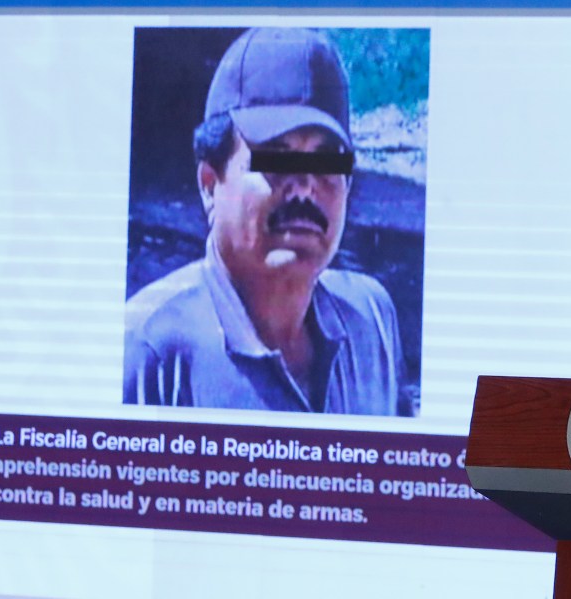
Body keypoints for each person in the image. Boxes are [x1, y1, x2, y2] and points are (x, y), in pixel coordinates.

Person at [123, 27, 418, 417]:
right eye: (276, 158)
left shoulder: (371, 319)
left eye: (327, 160)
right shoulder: (149, 349)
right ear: (210, 185)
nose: (304, 188)